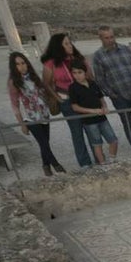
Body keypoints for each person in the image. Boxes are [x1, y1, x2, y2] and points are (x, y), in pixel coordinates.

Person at [93, 26, 131, 157]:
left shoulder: (126, 50)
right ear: (101, 38)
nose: (110, 40)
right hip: (119, 97)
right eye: (107, 38)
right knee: (128, 124)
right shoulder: (98, 56)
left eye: (112, 36)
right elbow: (100, 80)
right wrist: (112, 94)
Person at [41, 32, 94, 170]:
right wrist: (58, 99)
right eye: (66, 43)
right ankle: (85, 163)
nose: (70, 45)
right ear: (58, 46)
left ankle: (99, 159)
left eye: (70, 42)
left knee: (92, 129)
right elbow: (46, 83)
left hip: (84, 98)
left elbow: (89, 76)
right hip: (67, 100)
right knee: (77, 132)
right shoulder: (51, 63)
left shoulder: (77, 58)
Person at [6, 51, 64, 176]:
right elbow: (15, 104)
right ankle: (57, 165)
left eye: (23, 63)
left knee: (45, 143)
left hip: (43, 114)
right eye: (17, 64)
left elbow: (43, 92)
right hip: (30, 117)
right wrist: (22, 123)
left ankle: (45, 166)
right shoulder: (13, 82)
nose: (21, 66)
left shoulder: (34, 77)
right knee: (43, 143)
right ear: (13, 66)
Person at [68, 61, 119, 164]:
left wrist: (104, 107)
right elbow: (75, 107)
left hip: (102, 118)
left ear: (85, 72)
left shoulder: (93, 83)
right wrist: (92, 111)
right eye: (74, 73)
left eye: (79, 72)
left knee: (113, 140)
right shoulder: (72, 88)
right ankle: (103, 164)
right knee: (97, 143)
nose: (77, 75)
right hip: (89, 120)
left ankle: (112, 160)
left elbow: (101, 98)